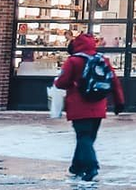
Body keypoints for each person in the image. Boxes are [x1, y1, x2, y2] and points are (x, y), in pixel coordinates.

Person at [53, 33, 126, 182]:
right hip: (98, 106)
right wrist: (119, 102)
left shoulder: (73, 61)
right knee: (87, 138)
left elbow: (61, 83)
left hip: (79, 106)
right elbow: (114, 81)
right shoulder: (102, 59)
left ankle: (92, 167)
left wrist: (70, 84)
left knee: (83, 137)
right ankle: (76, 167)